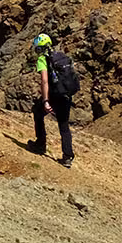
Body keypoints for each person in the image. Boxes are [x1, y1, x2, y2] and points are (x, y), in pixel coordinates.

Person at [30, 33, 75, 167]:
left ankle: (40, 144)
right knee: (64, 126)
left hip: (54, 96)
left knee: (37, 113)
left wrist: (45, 101)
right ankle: (67, 157)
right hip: (66, 96)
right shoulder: (61, 56)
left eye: (38, 49)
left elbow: (44, 81)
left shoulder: (43, 60)